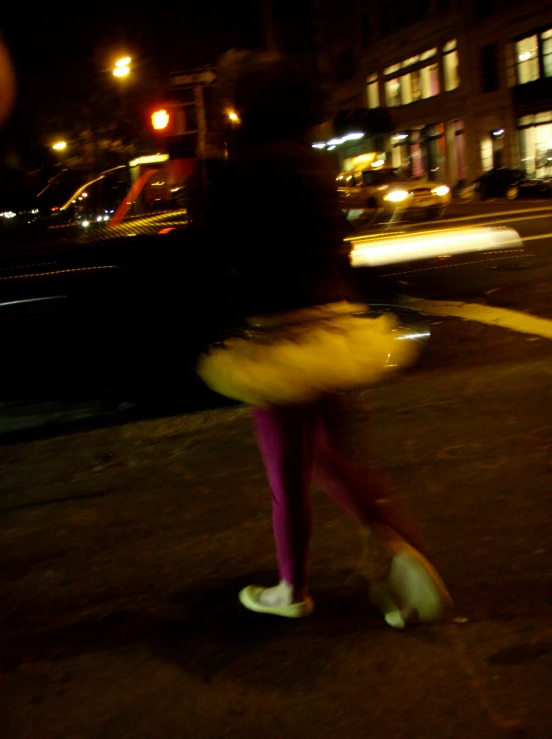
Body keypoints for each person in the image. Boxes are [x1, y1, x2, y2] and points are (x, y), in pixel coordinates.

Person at [197, 50, 452, 628]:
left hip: (279, 334)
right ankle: (394, 545)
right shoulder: (314, 167)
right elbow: (339, 247)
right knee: (334, 456)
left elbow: (218, 250)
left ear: (249, 109)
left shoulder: (243, 169)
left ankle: (293, 588)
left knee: (289, 476)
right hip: (335, 325)